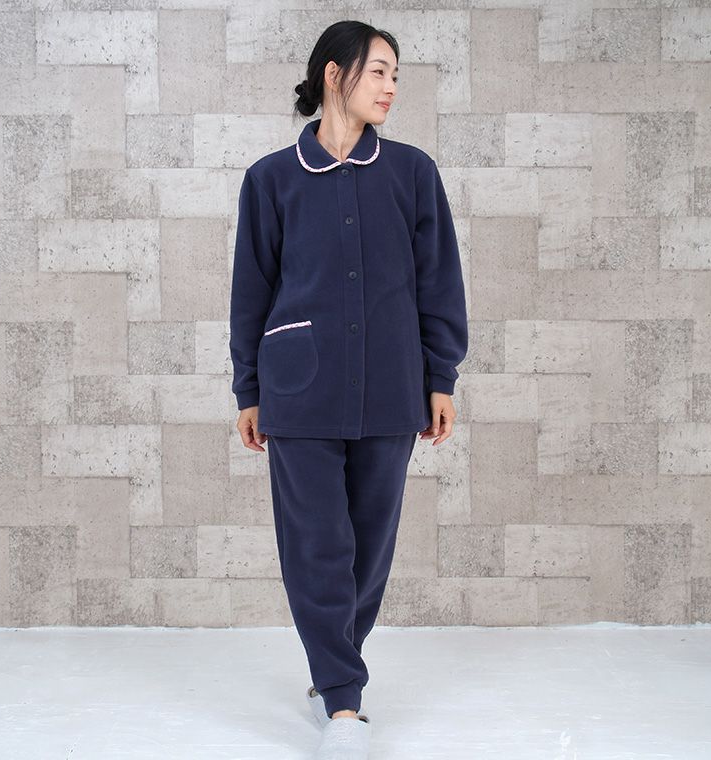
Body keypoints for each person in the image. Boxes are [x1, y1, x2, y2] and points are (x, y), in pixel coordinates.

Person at [229, 20, 468, 760]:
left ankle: (333, 665)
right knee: (318, 545)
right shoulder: (271, 179)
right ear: (335, 75)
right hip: (297, 389)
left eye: (397, 75)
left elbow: (439, 280)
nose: (392, 87)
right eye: (379, 72)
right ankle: (343, 700)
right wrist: (247, 388)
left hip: (392, 384)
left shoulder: (413, 173)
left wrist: (441, 375)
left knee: (369, 546)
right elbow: (251, 291)